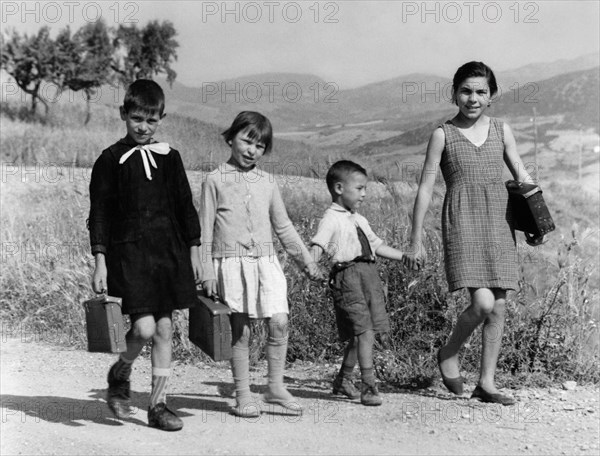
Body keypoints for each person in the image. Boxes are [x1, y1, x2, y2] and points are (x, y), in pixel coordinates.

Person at [403, 61, 542, 405]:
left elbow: (522, 174)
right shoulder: (442, 135)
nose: (473, 98)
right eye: (466, 90)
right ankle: (449, 352)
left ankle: (487, 383)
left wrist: (539, 219)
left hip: (500, 219)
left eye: (481, 91)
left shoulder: (501, 130)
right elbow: (425, 188)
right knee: (480, 302)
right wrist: (415, 238)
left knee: (499, 304)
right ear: (454, 93)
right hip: (462, 221)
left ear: (492, 96)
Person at [88, 79, 201, 431]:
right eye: (137, 118)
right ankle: (121, 371)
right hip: (131, 256)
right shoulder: (110, 160)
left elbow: (186, 207)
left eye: (151, 121)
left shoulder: (170, 158)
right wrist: (100, 260)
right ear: (124, 114)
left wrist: (195, 252)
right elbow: (100, 215)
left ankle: (158, 405)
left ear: (161, 119)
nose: (143, 127)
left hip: (168, 255)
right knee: (145, 326)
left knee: (165, 328)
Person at [200, 111, 321, 418]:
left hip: (266, 264)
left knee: (279, 321)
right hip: (230, 264)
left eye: (260, 146)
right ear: (231, 138)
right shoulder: (213, 180)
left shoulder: (268, 182)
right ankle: (242, 396)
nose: (252, 150)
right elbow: (203, 232)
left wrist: (306, 261)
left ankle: (275, 387)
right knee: (240, 333)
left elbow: (284, 227)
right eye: (247, 141)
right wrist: (204, 272)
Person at [309, 160, 405, 406]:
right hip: (348, 278)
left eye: (365, 189)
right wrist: (312, 266)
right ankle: (369, 386)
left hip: (368, 277)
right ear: (339, 188)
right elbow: (318, 244)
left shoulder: (359, 219)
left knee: (359, 333)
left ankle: (343, 379)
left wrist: (406, 256)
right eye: (359, 188)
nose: (364, 194)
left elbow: (377, 246)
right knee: (364, 332)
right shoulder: (331, 218)